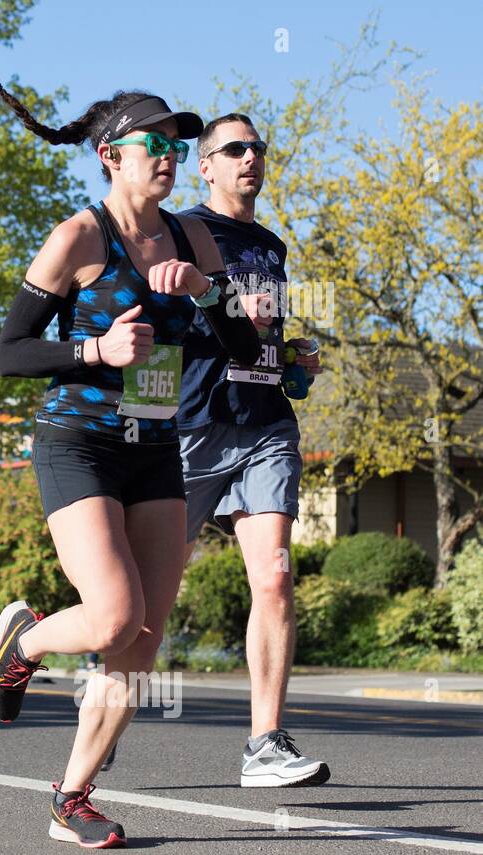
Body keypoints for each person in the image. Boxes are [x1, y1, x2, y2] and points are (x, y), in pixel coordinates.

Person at [0, 60, 260, 848]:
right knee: (114, 611)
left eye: (174, 142)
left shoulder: (194, 236)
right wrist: (95, 351)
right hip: (80, 445)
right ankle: (20, 643)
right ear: (111, 156)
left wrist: (204, 290)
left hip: (154, 449)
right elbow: (10, 354)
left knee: (140, 640)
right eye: (151, 142)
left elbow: (238, 342)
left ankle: (72, 796)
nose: (167, 153)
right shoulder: (78, 237)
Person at [177, 114, 328, 787]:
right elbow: (165, 316)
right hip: (194, 425)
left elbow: (262, 338)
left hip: (265, 424)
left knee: (273, 577)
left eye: (257, 148)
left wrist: (292, 358)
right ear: (204, 165)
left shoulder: (271, 245)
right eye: (233, 149)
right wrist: (227, 310)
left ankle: (265, 743)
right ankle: (50, 655)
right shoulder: (183, 231)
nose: (250, 158)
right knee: (140, 598)